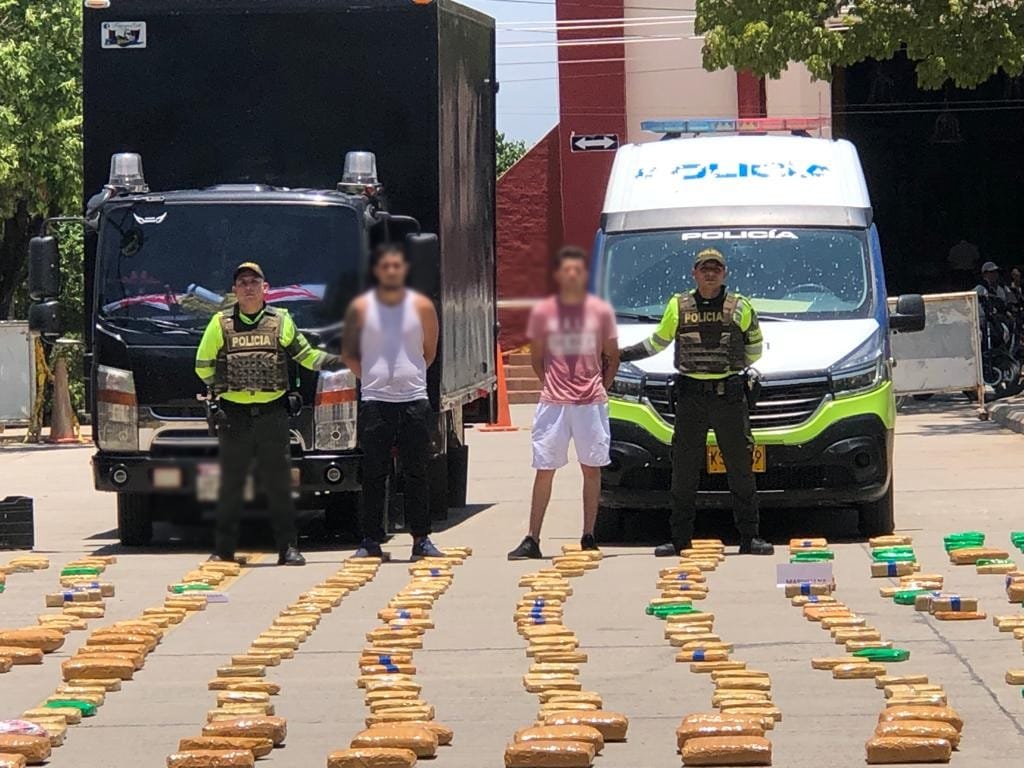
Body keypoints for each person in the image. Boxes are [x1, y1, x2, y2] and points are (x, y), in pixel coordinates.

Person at [619, 247, 774, 557]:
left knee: (740, 468)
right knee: (684, 470)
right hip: (690, 396)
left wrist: (727, 368)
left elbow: (755, 348)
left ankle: (749, 537)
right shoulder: (678, 306)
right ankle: (679, 540)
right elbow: (658, 342)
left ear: (724, 273)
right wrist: (621, 355)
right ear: (694, 272)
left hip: (729, 396)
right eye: (705, 268)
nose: (710, 273)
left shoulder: (740, 307)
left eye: (716, 268)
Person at [195, 261, 344, 566]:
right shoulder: (219, 323)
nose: (248, 287)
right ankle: (223, 550)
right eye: (242, 283)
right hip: (234, 415)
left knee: (278, 484)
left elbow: (307, 356)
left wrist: (342, 360)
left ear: (265, 289)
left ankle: (288, 548)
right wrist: (221, 388)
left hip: (272, 414)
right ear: (234, 291)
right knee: (230, 485)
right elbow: (202, 365)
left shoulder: (282, 321)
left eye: (254, 282)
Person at [507, 246, 619, 560]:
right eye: (566, 270)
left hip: (590, 403)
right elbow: (536, 358)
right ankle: (532, 538)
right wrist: (553, 386)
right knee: (545, 468)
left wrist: (600, 386)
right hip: (554, 403)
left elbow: (613, 356)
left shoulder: (600, 312)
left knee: (591, 468)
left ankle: (588, 534)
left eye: (577, 270)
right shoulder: (545, 312)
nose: (571, 275)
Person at [341, 243, 442, 561]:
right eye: (385, 266)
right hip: (375, 400)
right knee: (374, 472)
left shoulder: (421, 306)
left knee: (416, 472)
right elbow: (349, 353)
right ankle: (371, 539)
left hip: (413, 400)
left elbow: (430, 351)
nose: (391, 271)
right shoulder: (360, 308)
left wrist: (406, 376)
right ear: (377, 271)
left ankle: (421, 539)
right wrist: (373, 379)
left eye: (396, 266)